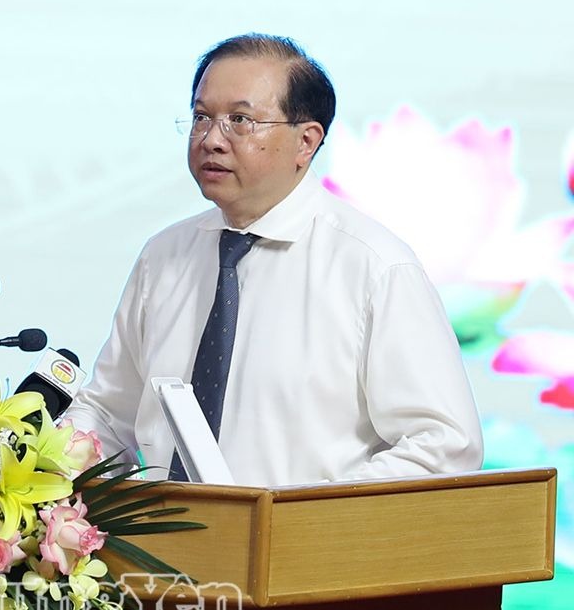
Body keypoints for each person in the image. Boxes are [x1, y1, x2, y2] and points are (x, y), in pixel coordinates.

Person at [62, 33, 483, 487]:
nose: (212, 139)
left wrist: (307, 514)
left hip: (307, 532)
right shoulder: (163, 257)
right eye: (202, 117)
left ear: (306, 141)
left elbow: (444, 445)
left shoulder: (373, 266)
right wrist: (36, 462)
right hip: (166, 533)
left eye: (240, 120)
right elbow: (108, 414)